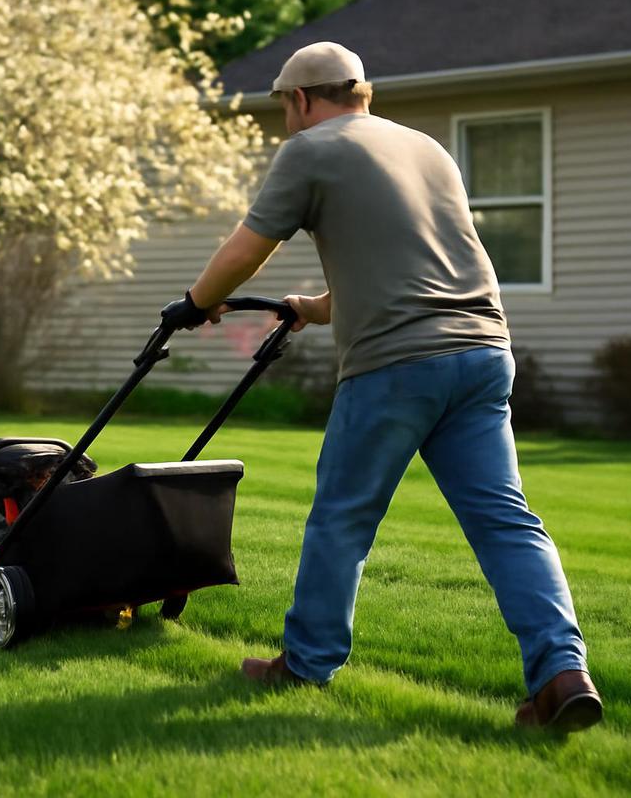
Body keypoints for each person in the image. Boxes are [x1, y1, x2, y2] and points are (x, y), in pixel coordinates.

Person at [160, 42, 601, 733]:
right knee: (506, 523)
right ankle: (561, 673)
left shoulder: (310, 150)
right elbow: (411, 266)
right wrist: (311, 306)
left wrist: (194, 302)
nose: (285, 121)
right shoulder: (427, 151)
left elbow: (248, 247)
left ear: (301, 99)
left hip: (397, 365)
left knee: (343, 517)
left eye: (283, 107)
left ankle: (305, 662)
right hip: (483, 353)